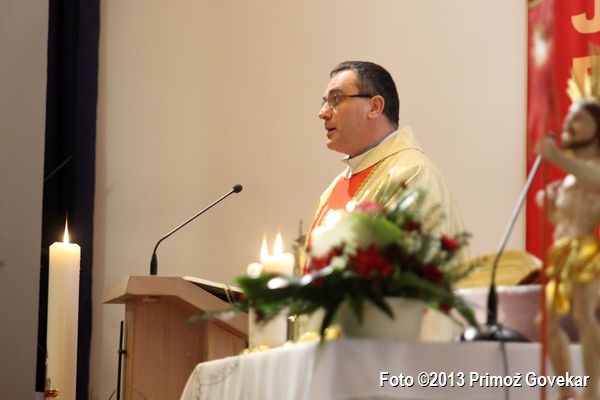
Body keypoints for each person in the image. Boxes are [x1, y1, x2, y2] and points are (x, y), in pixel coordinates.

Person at [307, 61, 465, 247]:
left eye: (336, 99)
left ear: (374, 107)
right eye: (325, 102)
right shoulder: (335, 187)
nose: (322, 113)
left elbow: (413, 259)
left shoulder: (411, 174)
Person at [537, 99, 600, 400]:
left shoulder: (591, 170)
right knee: (545, 323)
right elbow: (560, 219)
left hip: (584, 252)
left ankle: (591, 391)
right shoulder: (571, 178)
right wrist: (550, 205)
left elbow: (594, 180)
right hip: (561, 252)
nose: (568, 124)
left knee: (583, 317)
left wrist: (555, 156)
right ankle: (566, 389)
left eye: (578, 119)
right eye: (568, 118)